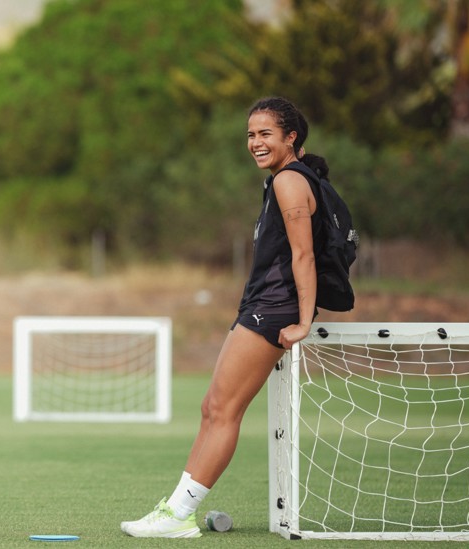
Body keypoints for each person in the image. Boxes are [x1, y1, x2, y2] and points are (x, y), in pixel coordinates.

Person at [121, 96, 330, 538]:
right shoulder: (283, 179)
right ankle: (175, 510)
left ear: (291, 137)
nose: (255, 142)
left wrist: (304, 320)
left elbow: (304, 255)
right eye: (251, 135)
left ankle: (178, 516)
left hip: (274, 309)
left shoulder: (290, 182)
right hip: (261, 305)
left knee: (223, 409)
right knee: (212, 407)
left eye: (265, 134)